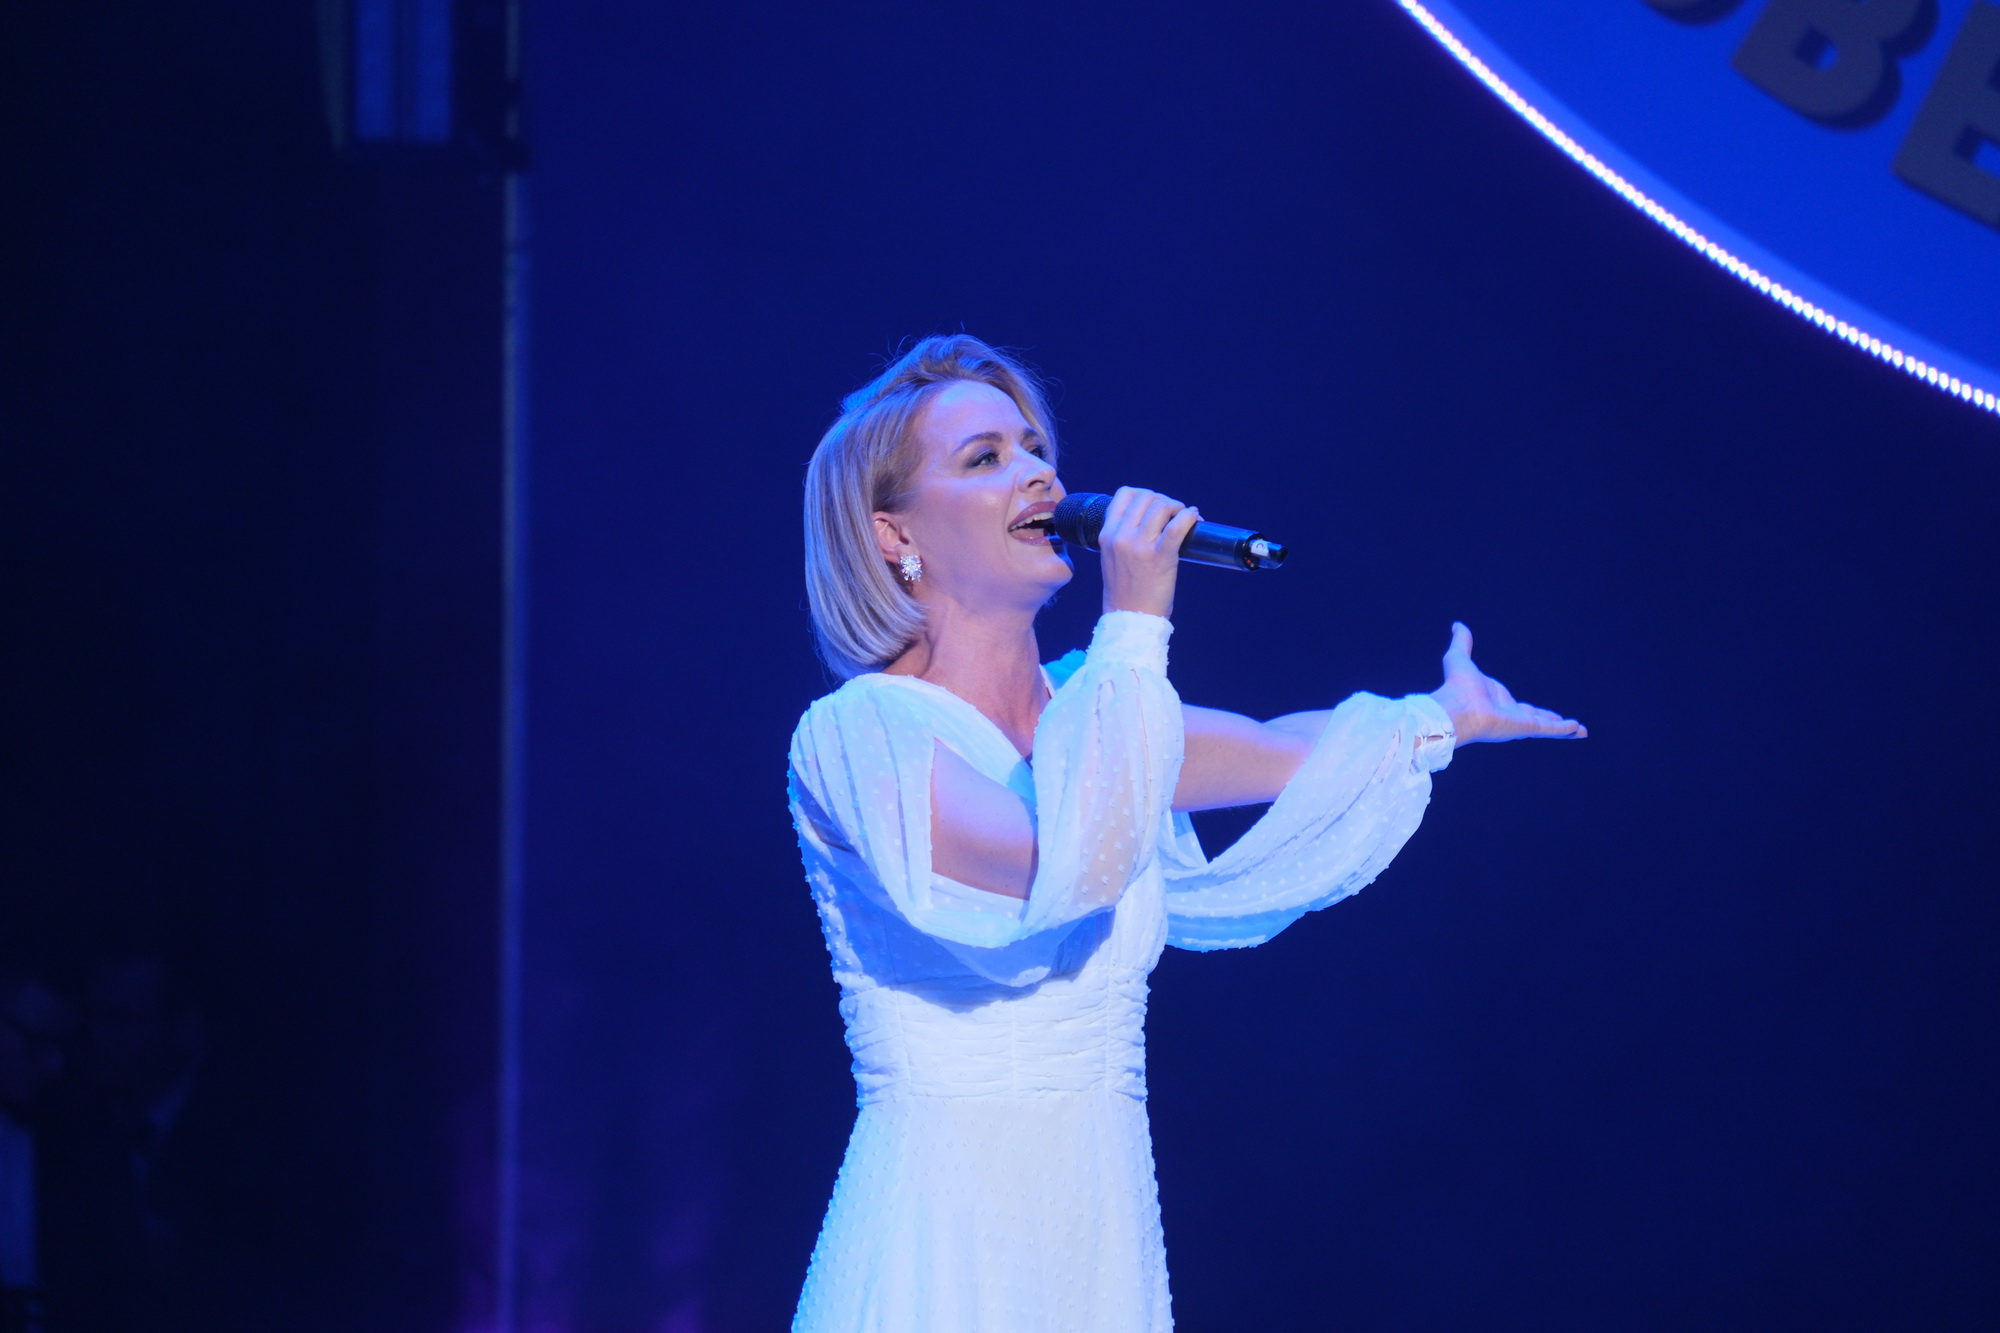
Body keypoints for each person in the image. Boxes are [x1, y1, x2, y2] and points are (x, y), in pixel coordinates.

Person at [786, 335, 1585, 1332]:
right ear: (892, 532)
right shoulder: (859, 734)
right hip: (941, 1240)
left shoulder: (1091, 714)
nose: (1039, 474)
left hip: (1095, 1232)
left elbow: (1284, 748)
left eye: (1036, 448)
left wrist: (1442, 714)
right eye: (985, 457)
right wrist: (1134, 625)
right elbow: (1055, 865)